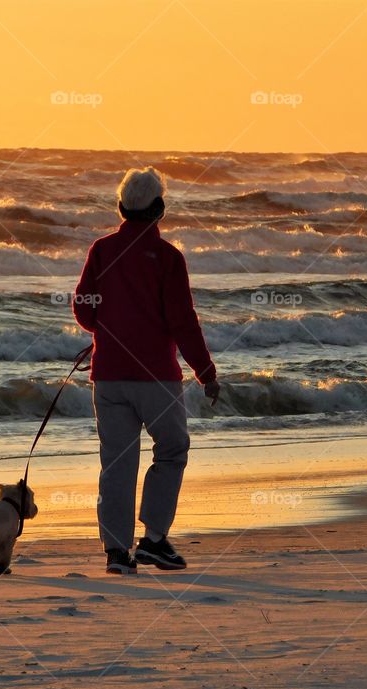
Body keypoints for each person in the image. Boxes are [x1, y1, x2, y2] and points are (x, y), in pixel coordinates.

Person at [73, 167, 220, 575]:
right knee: (172, 449)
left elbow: (84, 309)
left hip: (108, 375)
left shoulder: (101, 250)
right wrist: (206, 372)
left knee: (116, 462)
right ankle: (154, 540)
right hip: (156, 376)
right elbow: (183, 322)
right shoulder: (169, 258)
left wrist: (109, 327)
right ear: (160, 209)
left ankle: (117, 553)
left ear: (121, 207)